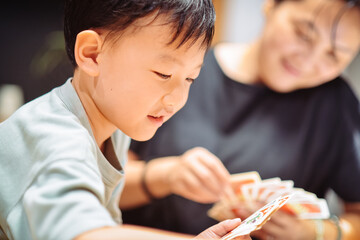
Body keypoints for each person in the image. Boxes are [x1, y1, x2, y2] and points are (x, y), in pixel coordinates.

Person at [0, 0, 252, 239]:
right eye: (163, 74)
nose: (177, 100)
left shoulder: (112, 125)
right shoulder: (55, 135)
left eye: (190, 79)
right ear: (92, 54)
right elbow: (84, 235)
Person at [121, 0, 360, 239]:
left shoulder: (336, 106)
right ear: (270, 5)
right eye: (303, 34)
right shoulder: (183, 71)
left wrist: (317, 232)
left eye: (334, 55)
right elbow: (101, 184)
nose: (307, 61)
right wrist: (165, 176)